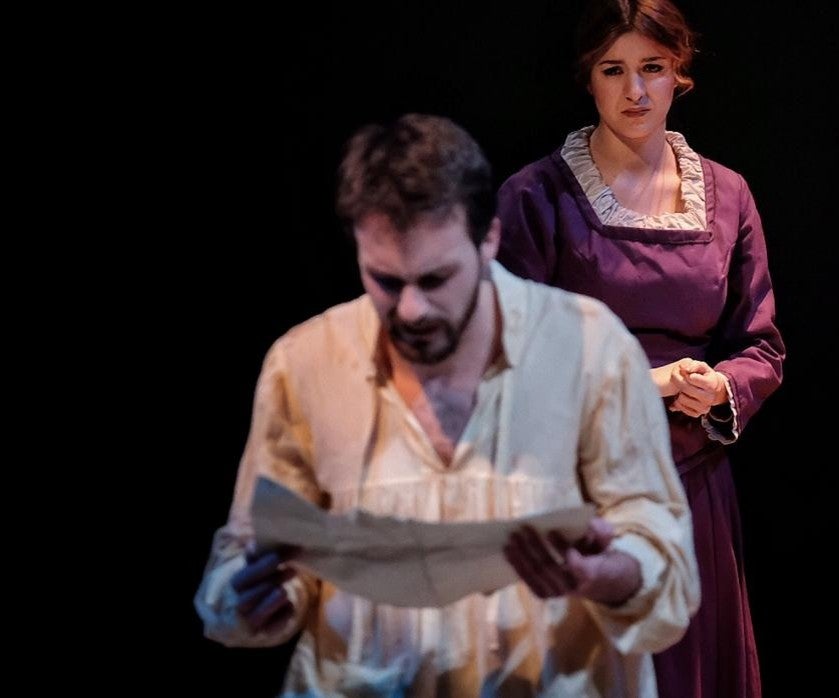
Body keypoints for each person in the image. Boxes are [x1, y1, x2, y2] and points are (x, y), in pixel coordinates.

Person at [194, 113, 699, 697]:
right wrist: (253, 597)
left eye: (435, 280)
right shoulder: (304, 362)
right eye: (384, 280)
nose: (410, 309)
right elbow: (244, 558)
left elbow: (662, 554)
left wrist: (601, 575)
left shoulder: (590, 347)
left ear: (488, 239)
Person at [495, 1, 785, 696]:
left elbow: (761, 344)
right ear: (588, 80)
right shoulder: (536, 197)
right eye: (614, 70)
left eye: (652, 68)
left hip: (693, 487)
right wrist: (639, 383)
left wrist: (719, 388)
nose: (634, 90)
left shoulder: (728, 196)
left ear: (678, 76)